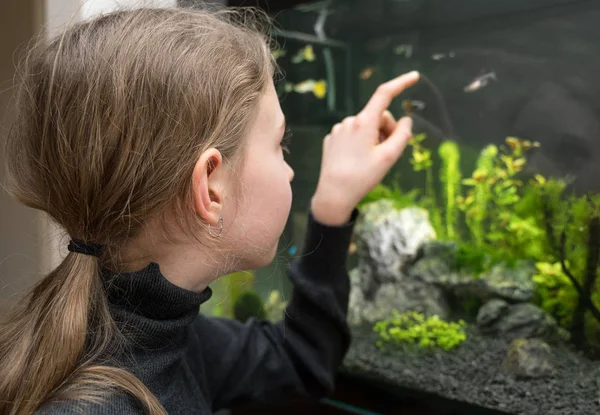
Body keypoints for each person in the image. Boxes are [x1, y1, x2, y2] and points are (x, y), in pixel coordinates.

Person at [0, 6, 419, 415]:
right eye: (280, 145)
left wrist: (333, 204)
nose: (290, 170)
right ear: (211, 188)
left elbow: (299, 361)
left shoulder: (153, 332)